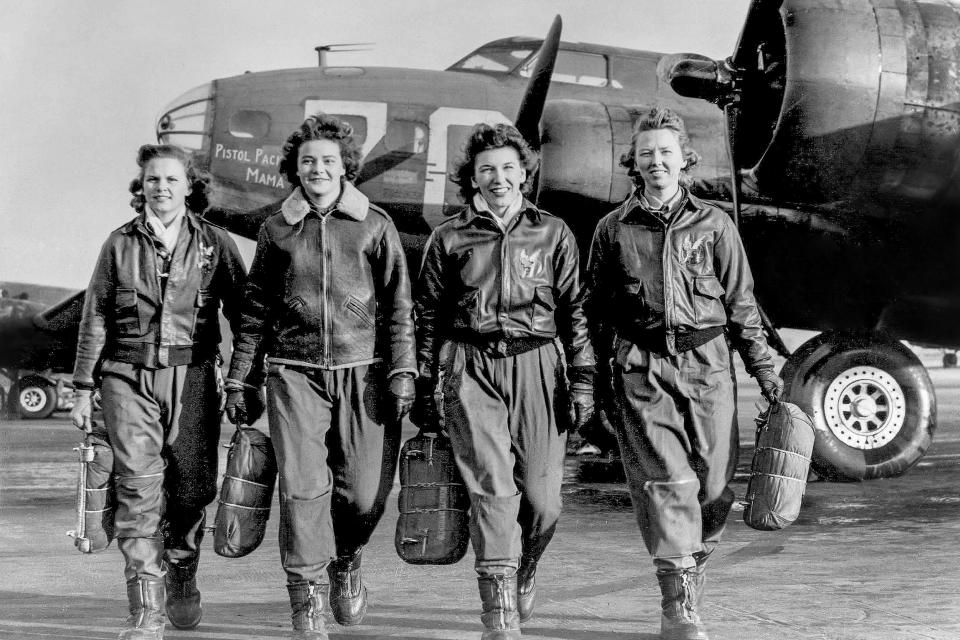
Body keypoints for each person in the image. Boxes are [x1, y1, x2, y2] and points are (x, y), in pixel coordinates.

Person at [584, 106, 783, 640]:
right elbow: (594, 312)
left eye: (666, 152)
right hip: (643, 369)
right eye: (646, 153)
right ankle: (677, 602)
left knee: (715, 489)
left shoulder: (716, 224)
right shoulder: (612, 229)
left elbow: (743, 306)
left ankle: (691, 562)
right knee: (667, 482)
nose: (656, 162)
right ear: (635, 162)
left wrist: (766, 375)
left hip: (709, 367)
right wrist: (593, 384)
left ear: (684, 159)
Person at [224, 113, 417, 640]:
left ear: (345, 167)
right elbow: (256, 310)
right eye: (308, 160)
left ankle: (348, 558)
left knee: (362, 493)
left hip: (365, 372)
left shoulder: (375, 225)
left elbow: (400, 306)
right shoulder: (276, 229)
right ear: (296, 167)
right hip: (294, 372)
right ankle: (305, 599)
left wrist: (403, 368)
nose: (318, 168)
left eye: (328, 160)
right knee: (303, 490)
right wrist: (240, 378)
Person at [414, 122, 595, 639]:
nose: (498, 177)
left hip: (538, 365)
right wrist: (428, 382)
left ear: (524, 172)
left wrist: (582, 380)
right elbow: (428, 315)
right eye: (486, 168)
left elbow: (576, 312)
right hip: (471, 366)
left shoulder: (553, 232)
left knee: (542, 501)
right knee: (492, 489)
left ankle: (525, 566)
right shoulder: (449, 237)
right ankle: (498, 609)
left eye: (508, 167)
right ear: (471, 177)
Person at [71, 144, 255, 640]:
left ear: (189, 186)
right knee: (137, 487)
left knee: (192, 489)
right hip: (126, 377)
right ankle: (146, 609)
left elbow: (245, 319)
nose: (161, 188)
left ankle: (182, 567)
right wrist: (83, 386)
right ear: (142, 187)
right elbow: (95, 318)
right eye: (153, 180)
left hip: (194, 377)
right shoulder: (118, 244)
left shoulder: (216, 244)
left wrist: (242, 380)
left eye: (172, 180)